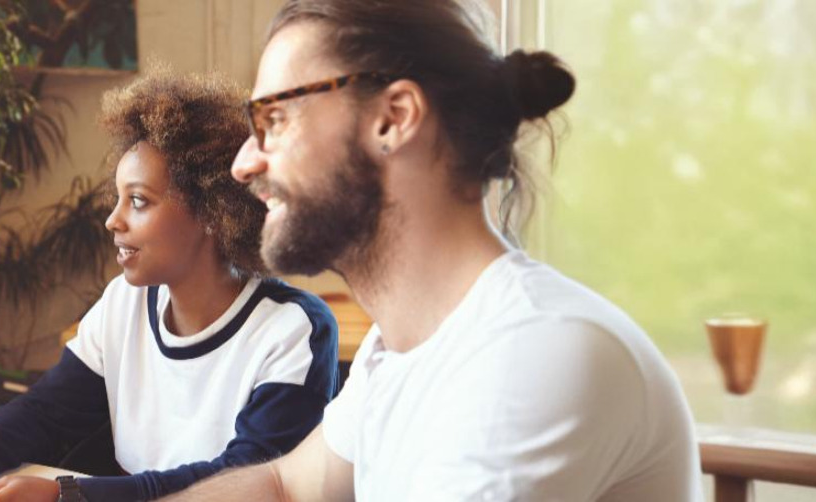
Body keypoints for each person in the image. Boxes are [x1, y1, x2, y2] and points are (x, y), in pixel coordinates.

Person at [166, 0, 701, 500]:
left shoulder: (535, 350)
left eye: (274, 119)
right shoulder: (397, 352)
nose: (243, 164)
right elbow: (285, 485)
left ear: (394, 118)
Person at [0, 72, 340, 502]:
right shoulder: (125, 302)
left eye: (138, 201)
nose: (113, 220)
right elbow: (45, 412)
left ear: (211, 211)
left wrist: (71, 494)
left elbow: (247, 481)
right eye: (118, 199)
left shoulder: (293, 330)